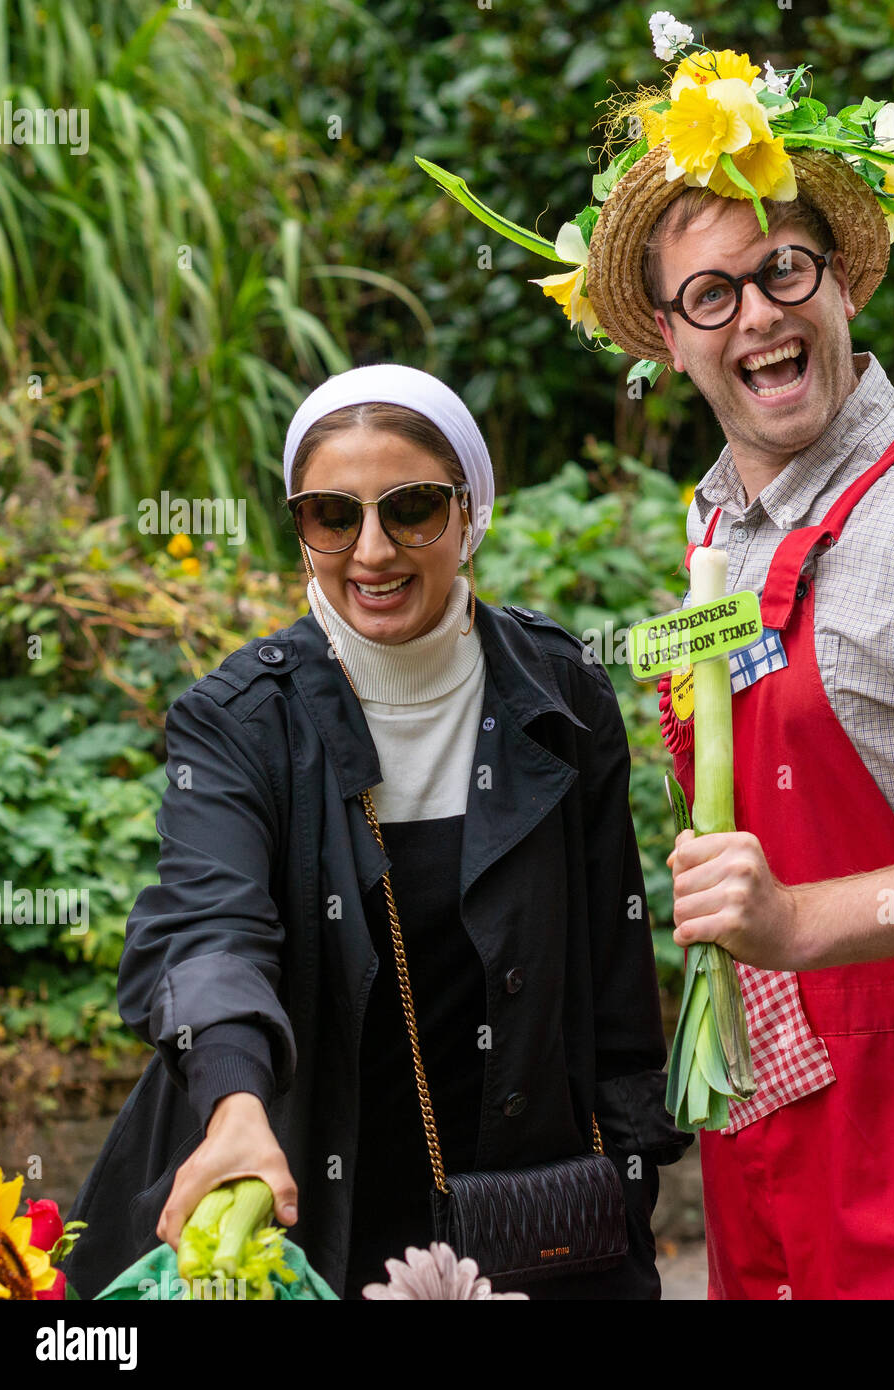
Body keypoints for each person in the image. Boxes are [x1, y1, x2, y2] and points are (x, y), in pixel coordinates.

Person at [419, 21, 894, 1299]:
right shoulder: (722, 524)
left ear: (843, 283)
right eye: (713, 293)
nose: (756, 313)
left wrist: (801, 921)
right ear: (666, 332)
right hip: (780, 1120)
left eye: (784, 271)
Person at [62, 365, 690, 1301]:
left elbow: (613, 985)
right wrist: (235, 1103)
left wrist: (628, 1196)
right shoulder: (239, 720)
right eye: (330, 516)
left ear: (469, 510)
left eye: (411, 509)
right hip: (306, 1191)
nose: (371, 550)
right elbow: (207, 932)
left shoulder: (562, 693)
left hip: (529, 1213)